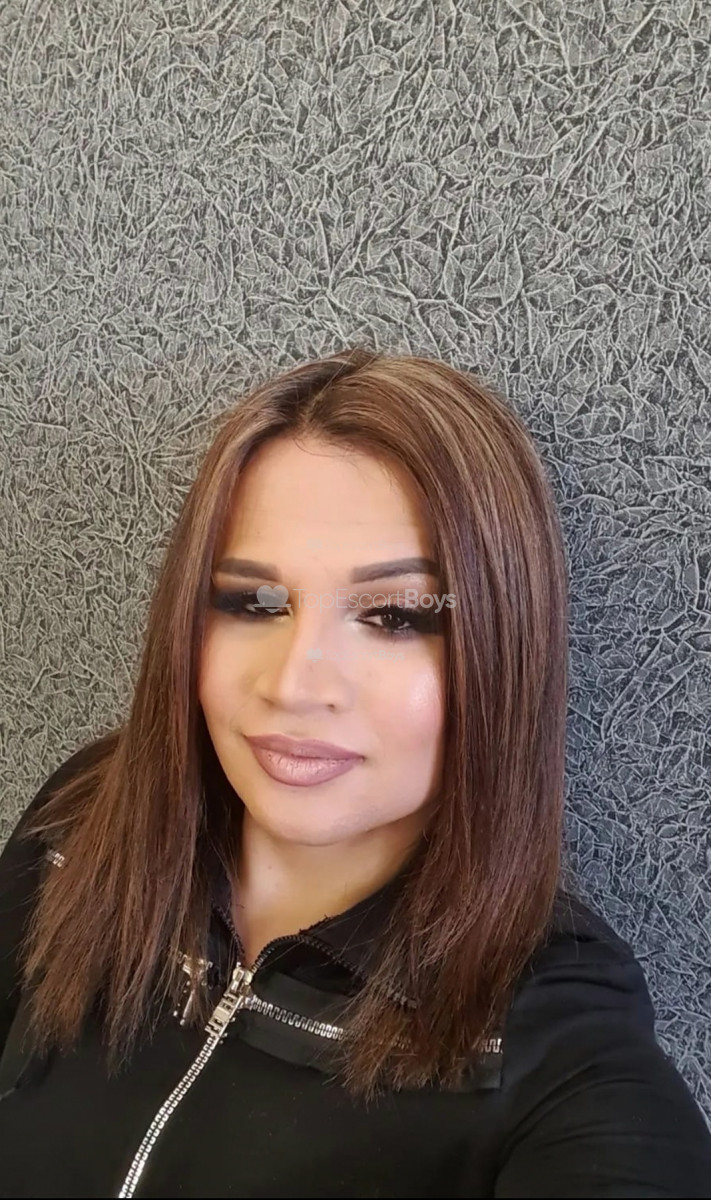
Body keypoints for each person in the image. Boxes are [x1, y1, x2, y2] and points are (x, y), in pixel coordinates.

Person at [1, 346, 709, 1199]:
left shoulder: (552, 1035)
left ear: (502, 647)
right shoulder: (85, 819)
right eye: (252, 602)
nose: (294, 685)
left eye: (394, 616)